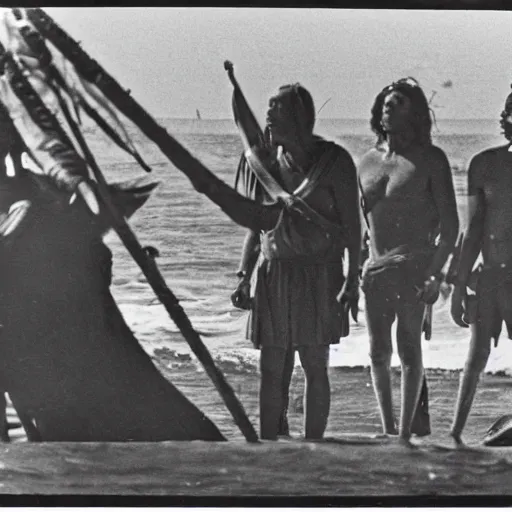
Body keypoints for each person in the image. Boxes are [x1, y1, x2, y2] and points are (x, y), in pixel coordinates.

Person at [231, 83, 361, 440]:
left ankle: (313, 446)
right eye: (268, 107)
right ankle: (270, 443)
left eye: (277, 108)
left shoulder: (335, 161)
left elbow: (353, 229)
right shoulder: (267, 165)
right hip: (274, 275)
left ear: (299, 117)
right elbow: (256, 227)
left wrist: (352, 282)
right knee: (272, 368)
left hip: (321, 274)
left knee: (314, 365)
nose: (268, 115)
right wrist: (244, 277)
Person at [358, 77, 459, 446]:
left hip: (415, 267)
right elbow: (361, 227)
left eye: (398, 102)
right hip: (374, 270)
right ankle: (388, 431)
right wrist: (352, 272)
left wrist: (437, 277)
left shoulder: (431, 160)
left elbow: (451, 228)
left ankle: (404, 436)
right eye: (385, 101)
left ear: (415, 113)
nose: (389, 106)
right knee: (377, 351)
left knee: (409, 349)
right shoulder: (367, 161)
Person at [450, 86, 512, 445]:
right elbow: (472, 230)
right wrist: (458, 287)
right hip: (490, 277)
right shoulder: (483, 164)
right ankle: (456, 433)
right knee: (477, 354)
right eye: (509, 112)